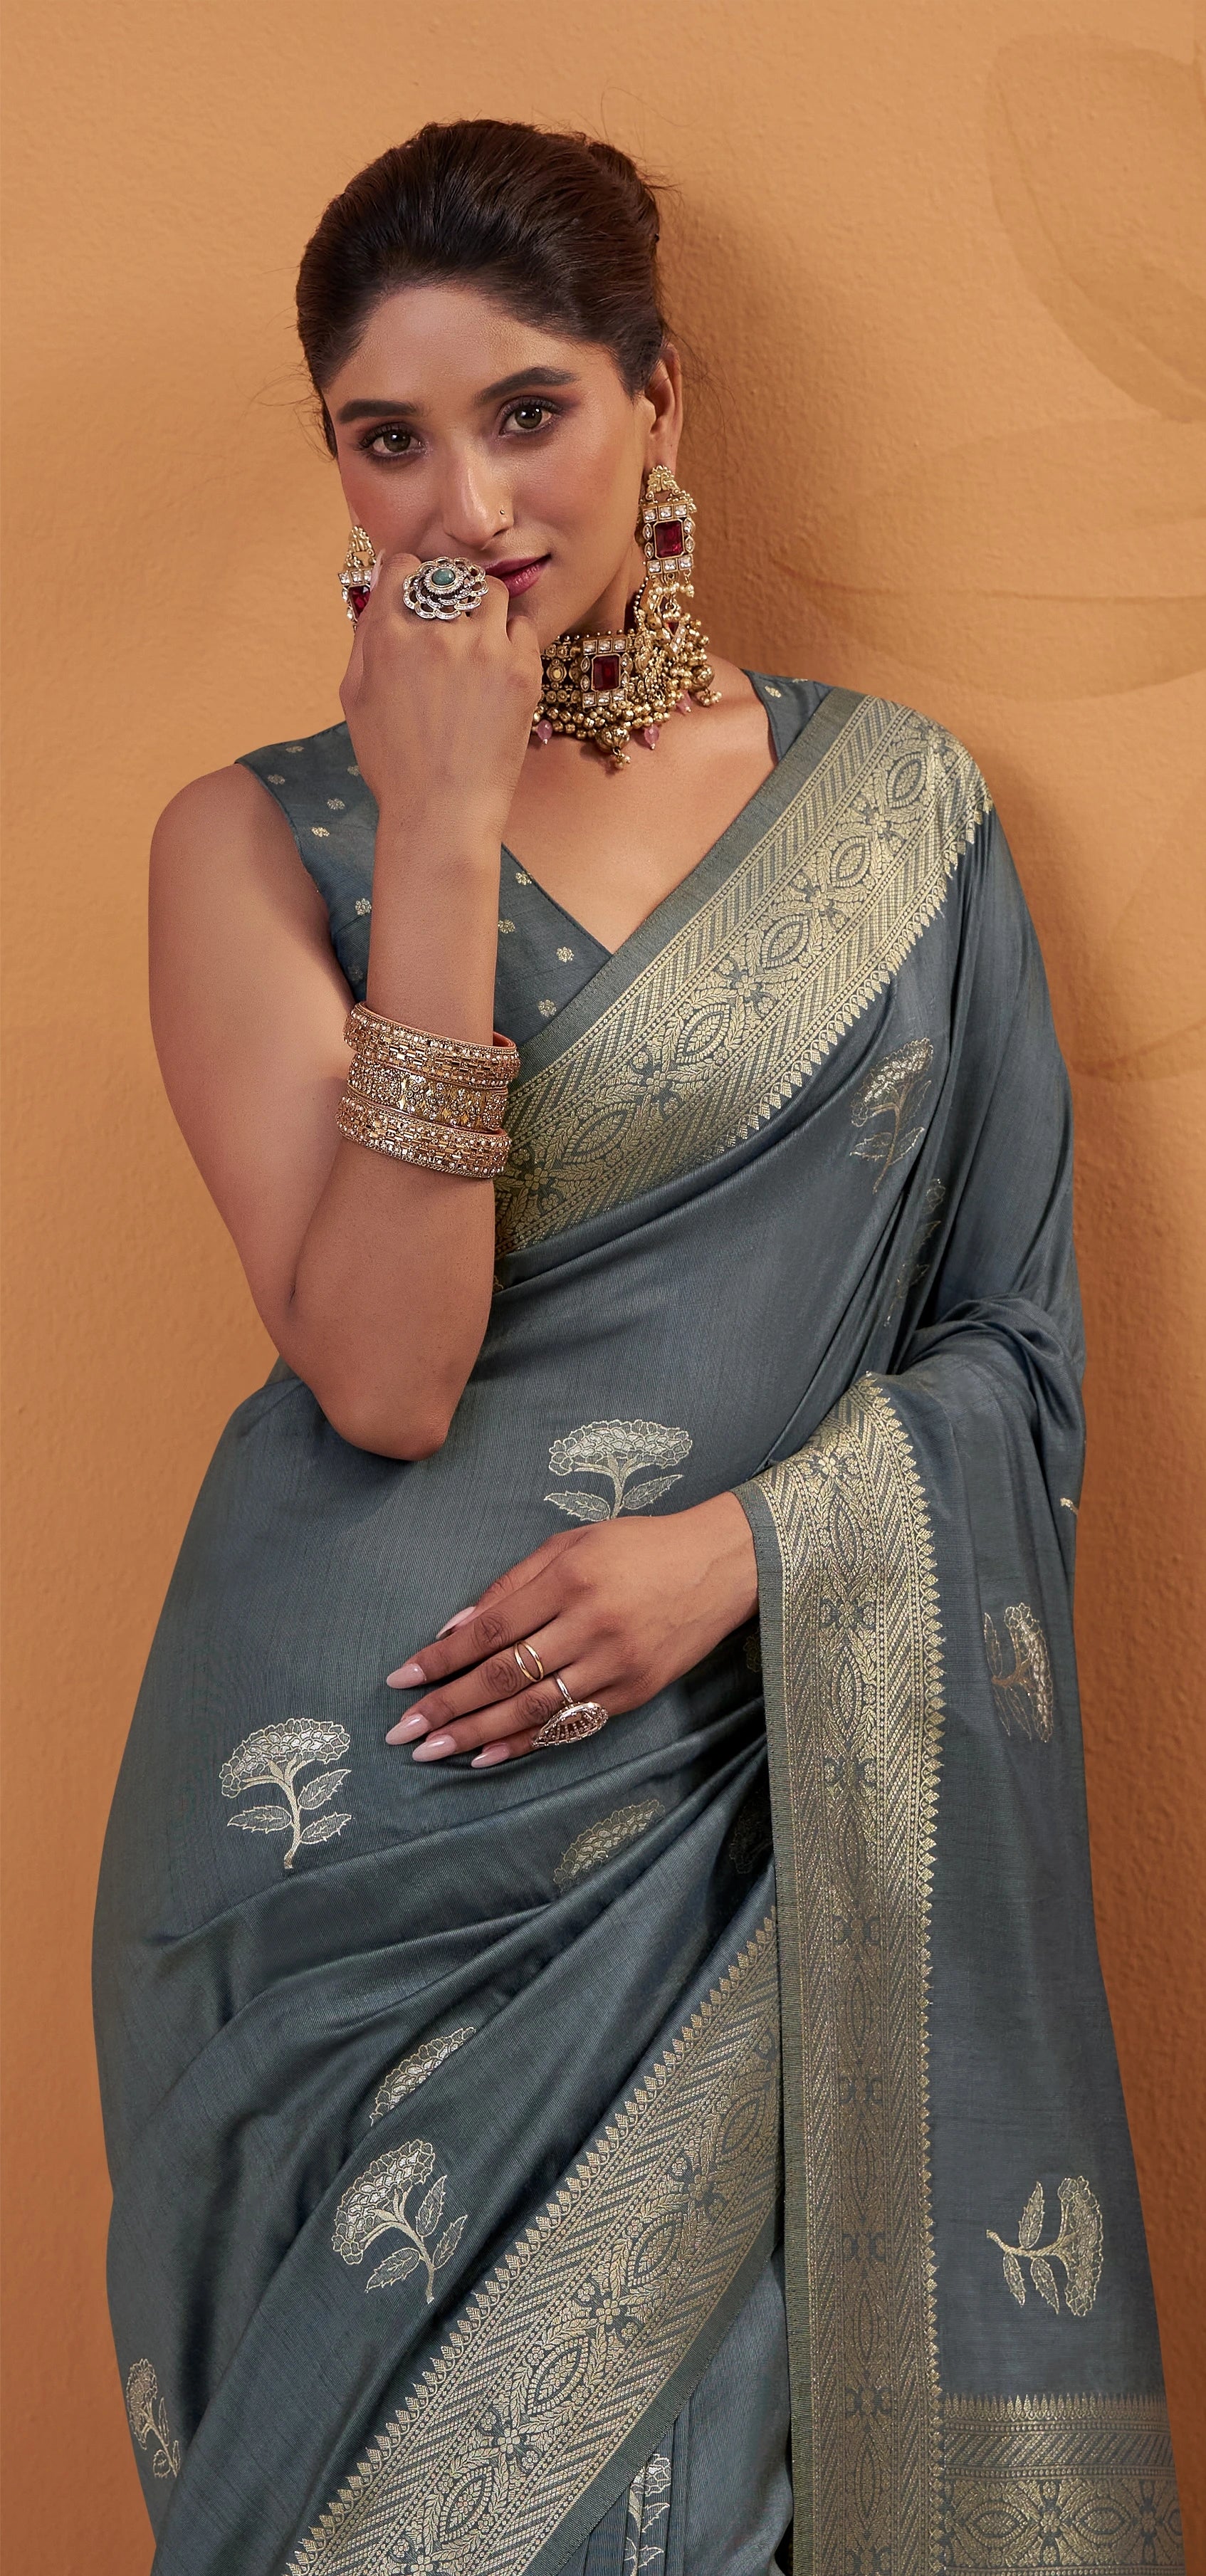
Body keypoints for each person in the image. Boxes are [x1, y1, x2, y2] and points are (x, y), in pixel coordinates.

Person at [93, 120, 1182, 2576]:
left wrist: (747, 1558)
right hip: (346, 1843)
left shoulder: (905, 818)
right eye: (390, 434)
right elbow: (381, 1367)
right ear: (335, 459)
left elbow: (1013, 1350)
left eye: (531, 411)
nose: (461, 498)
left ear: (661, 406)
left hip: (736, 1806)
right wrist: (446, 829)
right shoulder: (257, 844)